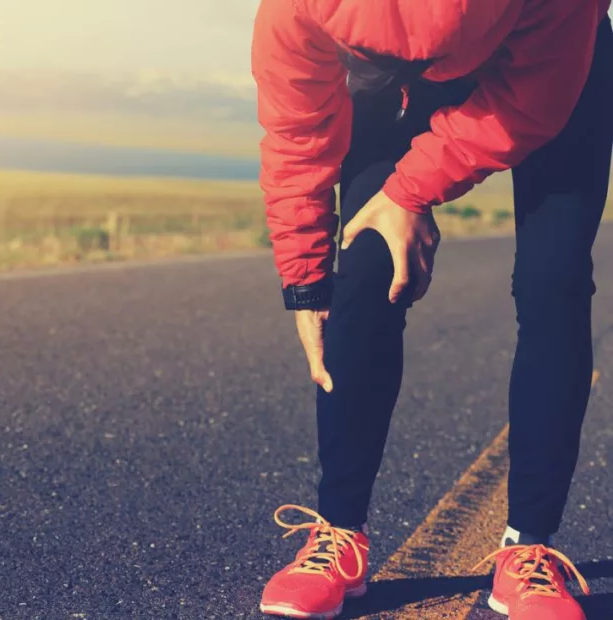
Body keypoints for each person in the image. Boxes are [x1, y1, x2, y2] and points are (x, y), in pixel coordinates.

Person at [250, 0, 612, 618]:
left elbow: (525, 109)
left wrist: (412, 191)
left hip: (553, 66)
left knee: (554, 282)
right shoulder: (296, 10)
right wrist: (306, 283)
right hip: (390, 88)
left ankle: (528, 549)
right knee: (363, 266)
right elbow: (297, 135)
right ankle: (339, 532)